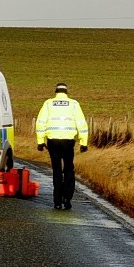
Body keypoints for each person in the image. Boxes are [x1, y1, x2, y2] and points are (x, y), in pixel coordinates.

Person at [34, 82, 89, 210]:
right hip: (68, 141)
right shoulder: (74, 104)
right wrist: (83, 142)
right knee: (69, 169)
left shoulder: (48, 104)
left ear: (56, 92)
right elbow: (81, 123)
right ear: (66, 93)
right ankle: (67, 199)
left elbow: (41, 123)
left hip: (52, 141)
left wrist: (40, 141)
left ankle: (57, 202)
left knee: (57, 171)